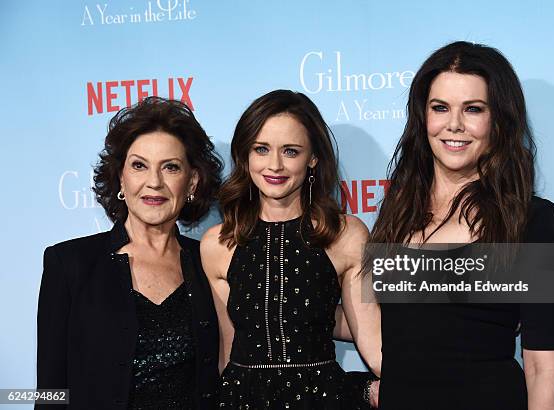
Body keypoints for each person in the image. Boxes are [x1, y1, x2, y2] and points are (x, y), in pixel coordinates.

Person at [371, 41, 554, 409]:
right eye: (440, 108)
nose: (454, 125)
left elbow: (545, 375)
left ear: (499, 120)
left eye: (473, 109)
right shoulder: (397, 213)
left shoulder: (533, 221)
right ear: (422, 116)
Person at [36, 97, 223, 409]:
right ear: (121, 177)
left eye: (171, 167)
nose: (154, 182)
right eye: (139, 165)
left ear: (192, 181)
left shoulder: (209, 263)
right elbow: (50, 391)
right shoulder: (69, 264)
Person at [200, 89, 381, 409]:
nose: (275, 165)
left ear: (313, 158)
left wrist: (441, 382)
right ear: (245, 155)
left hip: (322, 400)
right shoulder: (217, 243)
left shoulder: (346, 235)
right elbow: (229, 349)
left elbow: (371, 340)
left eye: (291, 151)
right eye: (261, 149)